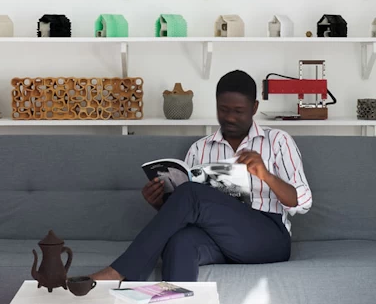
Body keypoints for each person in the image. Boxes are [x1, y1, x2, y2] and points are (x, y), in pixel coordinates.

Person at [92, 69, 312, 287]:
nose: (230, 117)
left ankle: (122, 271)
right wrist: (160, 204)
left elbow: (302, 203)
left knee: (190, 192)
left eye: (238, 110)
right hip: (217, 237)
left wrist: (266, 175)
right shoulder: (200, 148)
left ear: (254, 107)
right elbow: (188, 212)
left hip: (267, 237)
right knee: (180, 242)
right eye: (223, 109)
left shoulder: (277, 141)